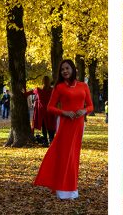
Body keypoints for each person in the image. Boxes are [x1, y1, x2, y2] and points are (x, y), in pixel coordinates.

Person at [34, 59, 94, 200]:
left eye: (67, 68)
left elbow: (91, 106)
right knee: (63, 154)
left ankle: (72, 189)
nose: (65, 71)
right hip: (65, 123)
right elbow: (50, 107)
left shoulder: (83, 86)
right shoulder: (59, 87)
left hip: (78, 124)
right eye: (62, 70)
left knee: (74, 155)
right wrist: (64, 112)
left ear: (73, 69)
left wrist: (84, 111)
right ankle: (61, 188)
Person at [35, 76, 56, 146]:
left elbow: (31, 92)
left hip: (43, 112)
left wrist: (24, 93)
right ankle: (51, 140)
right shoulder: (52, 90)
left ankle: (46, 141)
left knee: (44, 127)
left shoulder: (39, 90)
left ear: (42, 81)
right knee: (51, 126)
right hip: (51, 111)